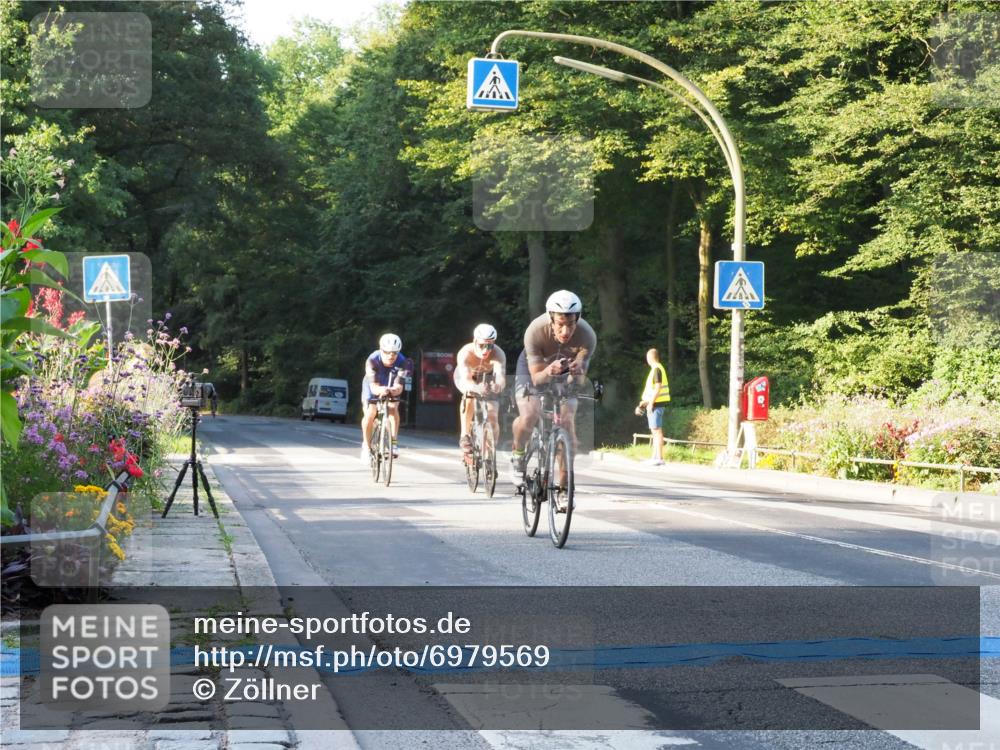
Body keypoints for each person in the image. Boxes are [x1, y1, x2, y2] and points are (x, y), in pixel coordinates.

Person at [510, 290, 597, 480]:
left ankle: (564, 486)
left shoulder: (587, 335)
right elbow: (536, 379)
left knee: (567, 423)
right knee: (530, 415)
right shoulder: (535, 331)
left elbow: (579, 382)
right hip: (534, 369)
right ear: (551, 319)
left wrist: (576, 373)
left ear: (578, 319)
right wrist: (549, 371)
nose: (566, 331)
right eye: (560, 324)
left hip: (564, 370)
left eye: (571, 324)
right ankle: (518, 454)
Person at [454, 324, 507, 458]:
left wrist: (498, 385)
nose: (485, 350)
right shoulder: (465, 353)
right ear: (475, 341)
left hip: (486, 378)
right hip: (466, 377)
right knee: (469, 396)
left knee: (493, 413)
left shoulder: (498, 353)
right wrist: (476, 388)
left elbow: (500, 376)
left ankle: (490, 451)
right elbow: (466, 379)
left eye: (490, 346)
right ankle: (465, 435)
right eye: (482, 345)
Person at [361, 333, 412, 462]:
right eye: (387, 352)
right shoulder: (372, 360)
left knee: (393, 408)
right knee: (370, 413)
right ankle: (366, 447)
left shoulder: (403, 362)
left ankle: (393, 443)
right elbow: (373, 387)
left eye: (394, 353)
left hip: (391, 382)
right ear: (381, 349)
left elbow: (399, 386)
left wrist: (393, 390)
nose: (391, 356)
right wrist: (381, 390)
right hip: (373, 383)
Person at [636, 348, 670, 465]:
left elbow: (657, 388)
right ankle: (655, 457)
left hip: (656, 405)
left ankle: (659, 458)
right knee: (654, 431)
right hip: (654, 404)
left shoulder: (656, 369)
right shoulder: (656, 369)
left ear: (649, 358)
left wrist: (650, 403)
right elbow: (652, 390)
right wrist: (644, 403)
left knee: (657, 431)